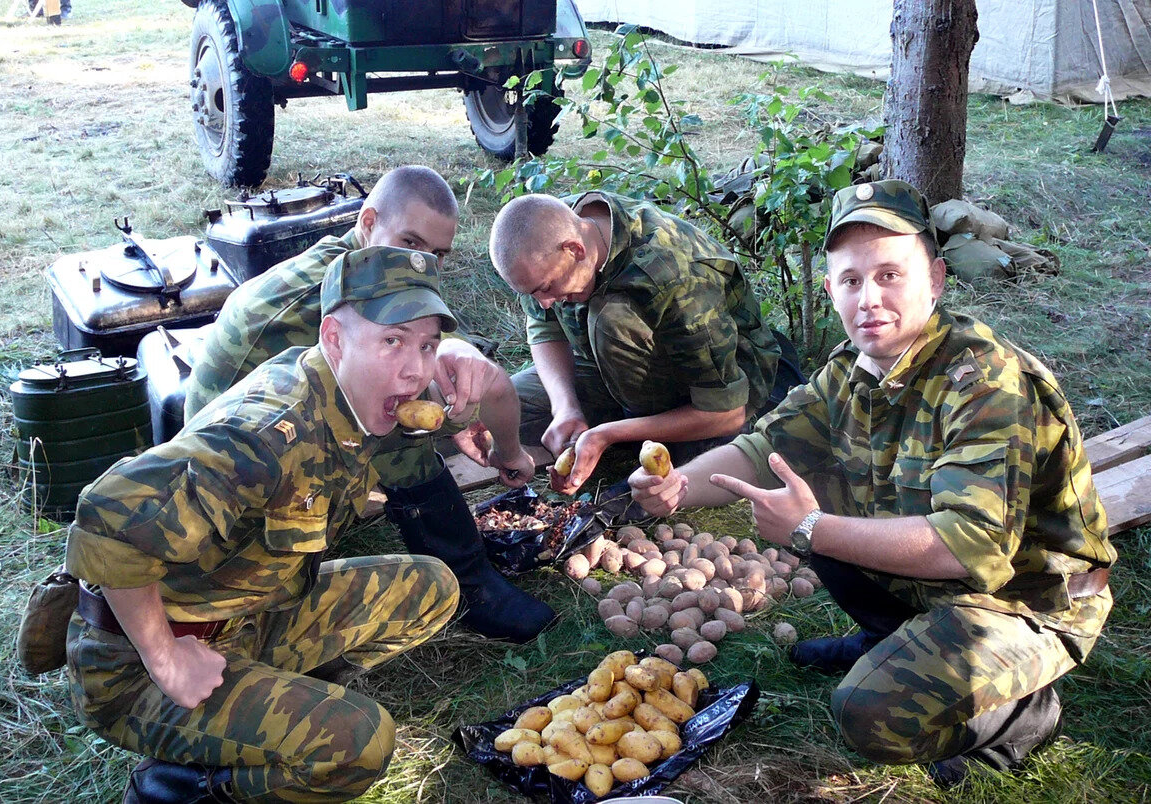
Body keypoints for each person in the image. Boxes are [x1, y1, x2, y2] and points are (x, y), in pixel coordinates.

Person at [628, 180, 1117, 786]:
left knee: (868, 714)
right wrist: (679, 484)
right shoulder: (853, 369)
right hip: (939, 576)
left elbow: (970, 545)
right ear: (831, 288)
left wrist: (812, 528)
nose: (870, 299)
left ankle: (1022, 714)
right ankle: (886, 635)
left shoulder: (986, 384)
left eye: (891, 275)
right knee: (807, 484)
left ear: (935, 279)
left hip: (1029, 599)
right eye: (852, 280)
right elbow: (762, 450)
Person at [65, 247, 529, 803]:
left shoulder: (352, 392)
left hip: (248, 617)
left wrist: (457, 407)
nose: (415, 368)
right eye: (392, 340)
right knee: (361, 744)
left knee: (432, 588)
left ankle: (263, 717)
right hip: (135, 668)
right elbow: (106, 521)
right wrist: (165, 659)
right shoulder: (263, 437)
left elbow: (415, 403)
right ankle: (182, 788)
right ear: (333, 337)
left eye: (427, 344)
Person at [186, 165, 555, 643]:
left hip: (273, 445)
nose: (422, 262)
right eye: (411, 242)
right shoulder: (317, 305)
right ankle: (469, 584)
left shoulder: (363, 268)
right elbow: (477, 390)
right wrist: (507, 451)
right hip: (225, 496)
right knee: (402, 433)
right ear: (367, 221)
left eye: (437, 253)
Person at [488, 191, 788, 495]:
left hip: (707, 390)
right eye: (532, 294)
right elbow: (544, 329)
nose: (545, 303)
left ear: (575, 251)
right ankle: (624, 424)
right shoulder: (543, 237)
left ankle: (644, 433)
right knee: (499, 406)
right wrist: (565, 406)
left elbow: (727, 412)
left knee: (613, 319)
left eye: (547, 288)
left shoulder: (674, 272)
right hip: (603, 365)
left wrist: (608, 435)